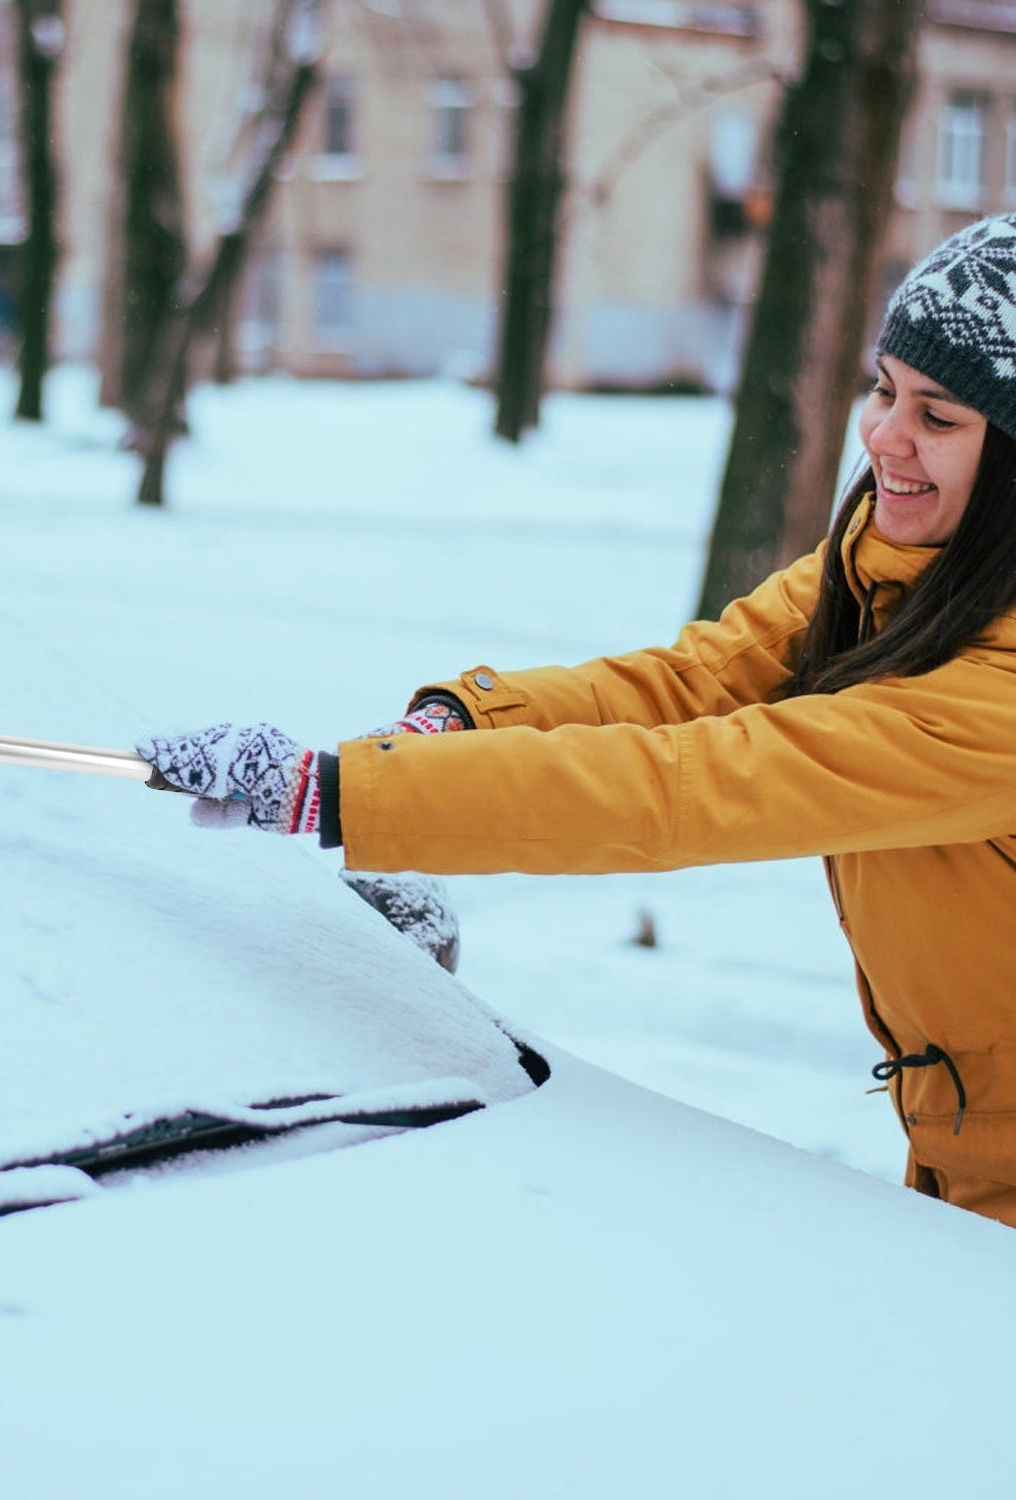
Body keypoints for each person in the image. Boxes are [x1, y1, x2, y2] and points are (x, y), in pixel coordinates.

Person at [137, 212, 1016, 1230]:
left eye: (938, 418)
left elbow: (693, 785)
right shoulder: (887, 568)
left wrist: (339, 795)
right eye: (884, 389)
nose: (883, 438)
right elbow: (693, 683)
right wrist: (459, 722)